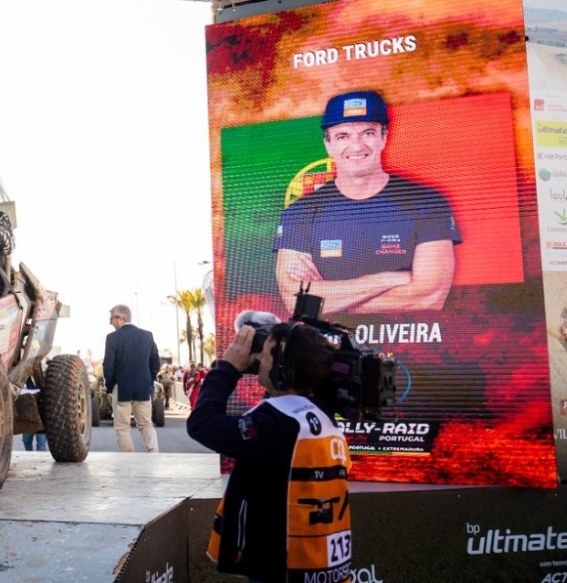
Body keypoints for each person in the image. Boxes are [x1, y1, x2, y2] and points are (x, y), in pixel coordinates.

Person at [186, 319, 353, 583]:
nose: (257, 360)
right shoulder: (320, 415)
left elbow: (202, 424)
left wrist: (228, 368)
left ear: (282, 372)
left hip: (281, 569)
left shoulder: (275, 424)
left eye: (264, 355)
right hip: (317, 564)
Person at [274, 90, 461, 316]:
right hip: (326, 340)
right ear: (328, 144)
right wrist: (389, 279)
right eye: (343, 136)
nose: (357, 146)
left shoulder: (427, 203)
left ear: (384, 137)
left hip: (406, 337)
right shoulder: (300, 213)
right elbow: (295, 303)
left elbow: (430, 297)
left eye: (368, 133)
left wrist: (327, 299)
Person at [102, 304, 161, 453]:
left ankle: (128, 459)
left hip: (121, 388)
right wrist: (148, 380)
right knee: (146, 424)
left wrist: (110, 386)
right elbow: (155, 363)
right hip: (143, 388)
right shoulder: (147, 335)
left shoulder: (112, 338)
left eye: (111, 318)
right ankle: (154, 454)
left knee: (122, 427)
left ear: (121, 318)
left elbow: (108, 366)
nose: (110, 322)